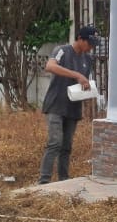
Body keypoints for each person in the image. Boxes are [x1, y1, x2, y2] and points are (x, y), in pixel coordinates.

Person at [39, 26, 99, 185]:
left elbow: (83, 83)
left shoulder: (88, 59)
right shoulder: (62, 51)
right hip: (56, 104)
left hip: (73, 108)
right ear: (79, 38)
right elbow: (50, 66)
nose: (91, 47)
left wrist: (88, 88)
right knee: (55, 143)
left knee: (66, 146)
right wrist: (77, 75)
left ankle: (63, 180)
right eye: (89, 43)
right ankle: (44, 182)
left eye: (93, 44)